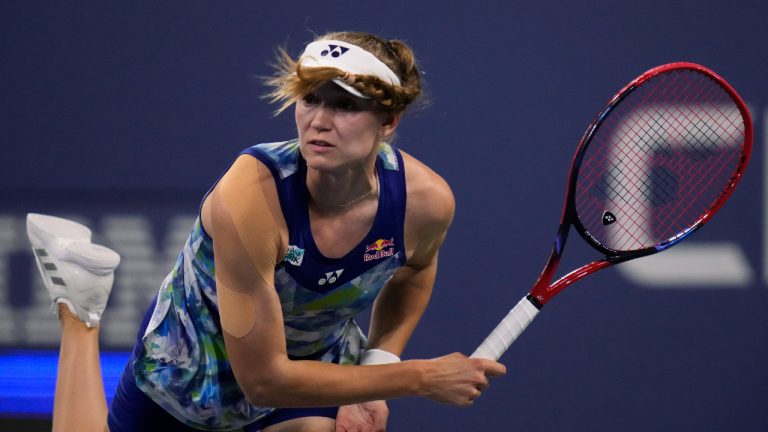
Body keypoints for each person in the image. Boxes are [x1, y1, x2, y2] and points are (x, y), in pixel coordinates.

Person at [35, 31, 506, 432]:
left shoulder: (424, 202)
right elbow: (263, 381)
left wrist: (378, 366)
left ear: (388, 121)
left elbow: (415, 271)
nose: (319, 121)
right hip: (196, 365)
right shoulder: (252, 196)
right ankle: (81, 310)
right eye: (310, 99)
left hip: (313, 367)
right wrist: (418, 378)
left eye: (345, 105)